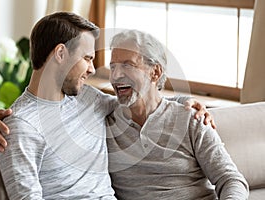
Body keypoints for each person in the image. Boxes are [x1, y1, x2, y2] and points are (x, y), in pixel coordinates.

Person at [0, 12, 215, 199]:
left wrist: (185, 103)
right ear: (61, 54)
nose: (92, 70)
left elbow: (139, 101)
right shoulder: (20, 127)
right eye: (87, 58)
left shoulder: (87, 99)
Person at [106, 29, 249, 199]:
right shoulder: (103, 122)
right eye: (112, 67)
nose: (116, 75)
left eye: (127, 65)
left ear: (155, 72)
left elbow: (230, 179)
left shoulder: (191, 119)